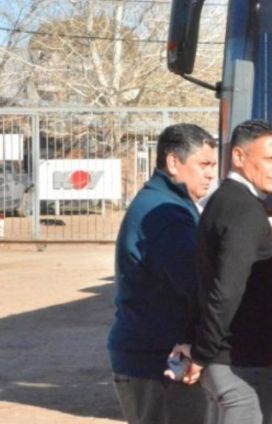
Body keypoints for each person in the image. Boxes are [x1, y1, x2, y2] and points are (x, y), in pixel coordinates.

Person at [107, 123, 217, 424]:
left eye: (213, 166)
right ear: (173, 162)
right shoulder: (165, 213)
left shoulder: (166, 202)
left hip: (152, 357)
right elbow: (196, 284)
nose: (210, 174)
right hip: (158, 362)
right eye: (203, 165)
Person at [183, 120, 272, 424]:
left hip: (232, 361)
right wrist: (202, 353)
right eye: (271, 159)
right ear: (239, 157)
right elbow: (226, 290)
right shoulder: (242, 210)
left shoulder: (226, 201)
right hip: (241, 365)